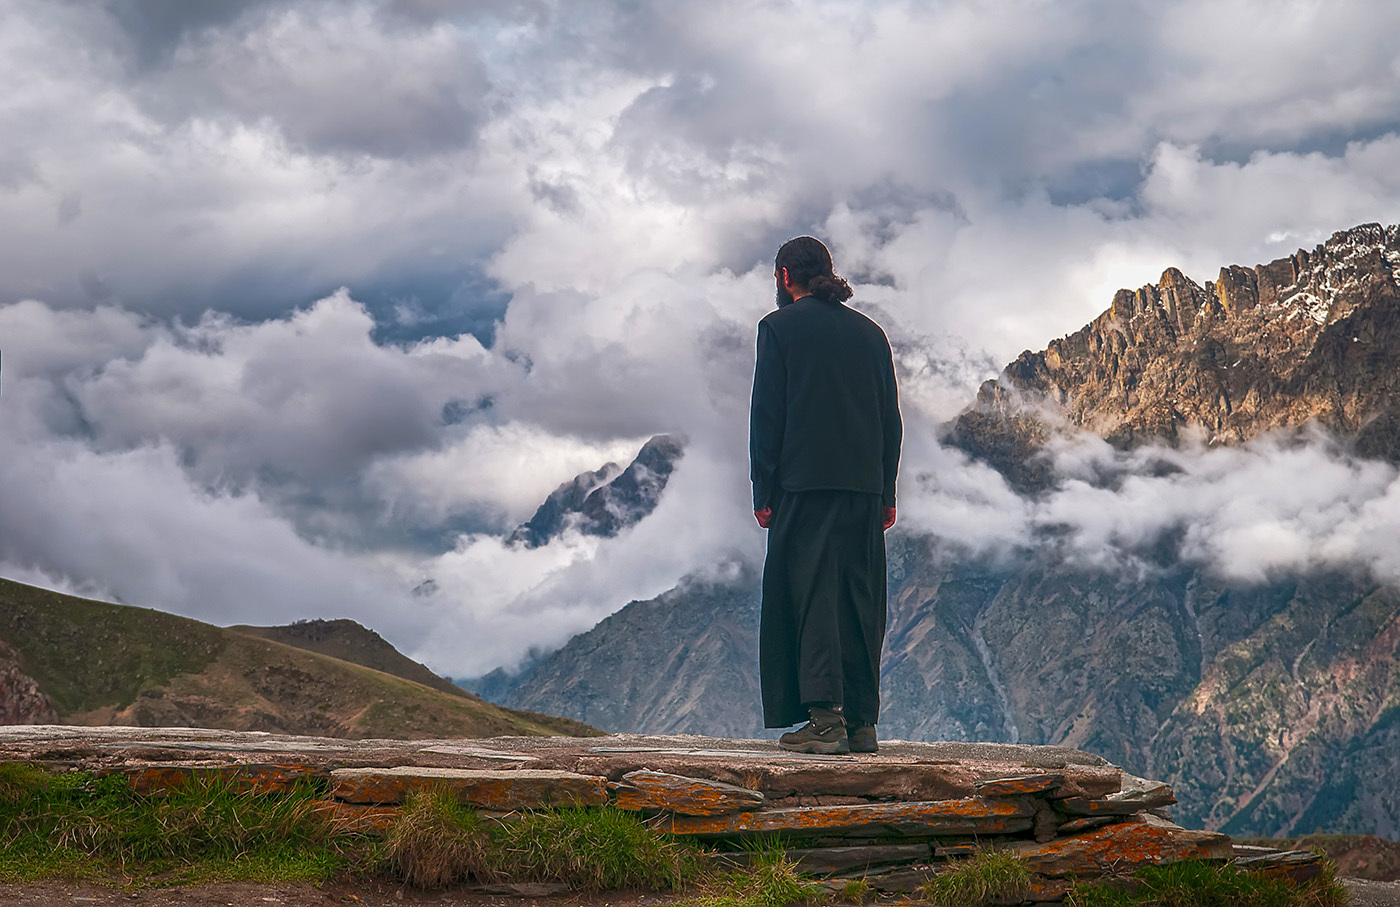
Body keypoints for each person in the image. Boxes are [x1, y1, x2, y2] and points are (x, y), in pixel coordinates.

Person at [749, 235, 902, 755]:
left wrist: (762, 488)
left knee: (810, 592)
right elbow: (890, 420)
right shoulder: (871, 334)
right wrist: (887, 491)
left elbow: (768, 415)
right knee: (859, 600)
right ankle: (862, 723)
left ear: (785, 276)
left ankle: (823, 721)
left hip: (803, 485)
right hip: (862, 487)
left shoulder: (778, 329)